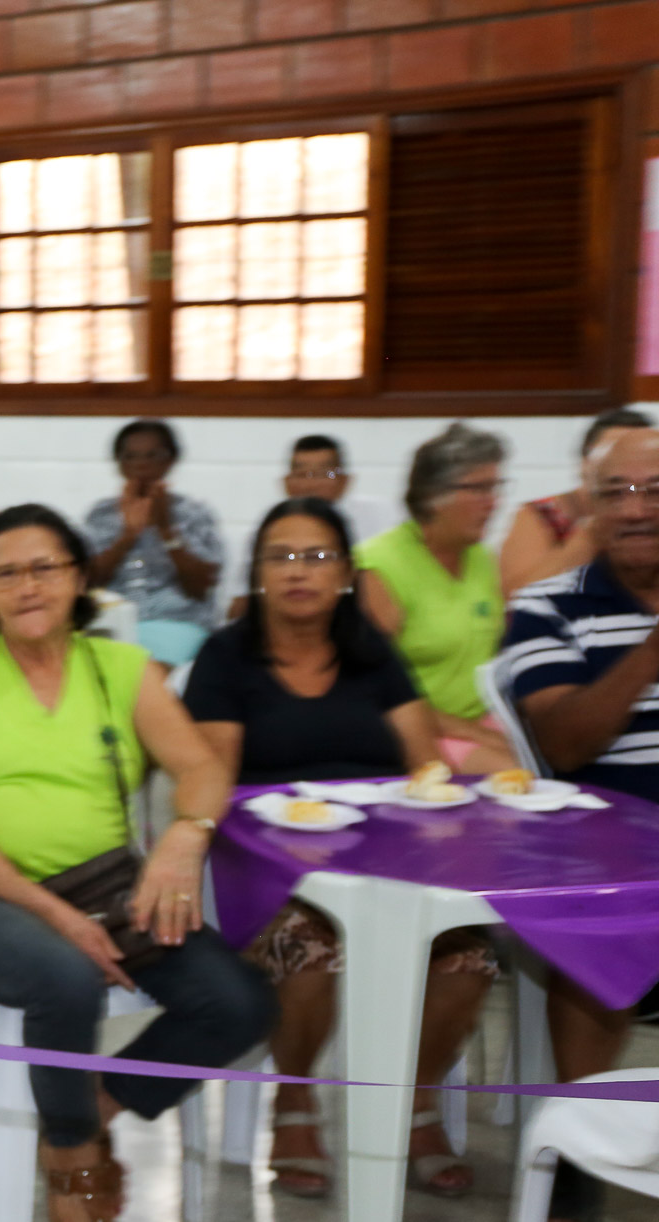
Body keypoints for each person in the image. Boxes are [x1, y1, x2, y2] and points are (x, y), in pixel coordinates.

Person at [0, 503, 274, 1222]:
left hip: (100, 882)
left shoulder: (121, 667)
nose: (27, 586)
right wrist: (54, 915)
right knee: (65, 977)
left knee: (240, 1003)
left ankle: (86, 1114)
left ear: (80, 579)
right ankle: (74, 1166)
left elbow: (200, 766)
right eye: (5, 574)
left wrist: (183, 836)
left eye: (45, 567)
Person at [184, 498, 491, 1200]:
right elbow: (216, 783)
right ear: (258, 572)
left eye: (317, 556)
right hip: (263, 868)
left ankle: (413, 1104)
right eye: (281, 556)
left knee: (468, 957)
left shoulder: (369, 652)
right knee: (308, 949)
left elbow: (423, 761)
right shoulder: (226, 657)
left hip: (384, 861)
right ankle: (294, 1105)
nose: (299, 571)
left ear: (347, 573)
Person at [495, 426, 659, 1222]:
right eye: (617, 493)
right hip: (612, 844)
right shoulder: (546, 607)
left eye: (655, 491)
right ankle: (575, 1150)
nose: (636, 509)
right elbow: (563, 743)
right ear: (590, 507)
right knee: (599, 906)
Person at [357, 423, 516, 773]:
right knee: (511, 776)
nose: (494, 503)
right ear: (434, 495)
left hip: (482, 722)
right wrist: (473, 733)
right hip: (415, 730)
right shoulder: (380, 567)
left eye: (497, 487)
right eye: (480, 489)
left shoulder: (479, 558)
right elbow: (370, 692)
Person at [82, 419, 224, 667]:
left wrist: (166, 529)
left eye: (153, 456)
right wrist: (127, 536)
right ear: (119, 464)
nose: (142, 465)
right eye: (131, 457)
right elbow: (86, 581)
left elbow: (201, 587)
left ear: (171, 461)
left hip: (175, 624)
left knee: (146, 674)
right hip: (110, 623)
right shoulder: (100, 515)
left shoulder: (195, 514)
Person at [500, 409, 652, 596]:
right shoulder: (541, 516)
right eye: (610, 458)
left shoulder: (647, 517)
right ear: (584, 464)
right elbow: (516, 600)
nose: (623, 472)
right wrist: (590, 536)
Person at [281, 434, 394, 543]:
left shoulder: (383, 516)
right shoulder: (275, 523)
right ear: (286, 482)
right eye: (301, 474)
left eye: (324, 474)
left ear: (344, 480)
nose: (312, 484)